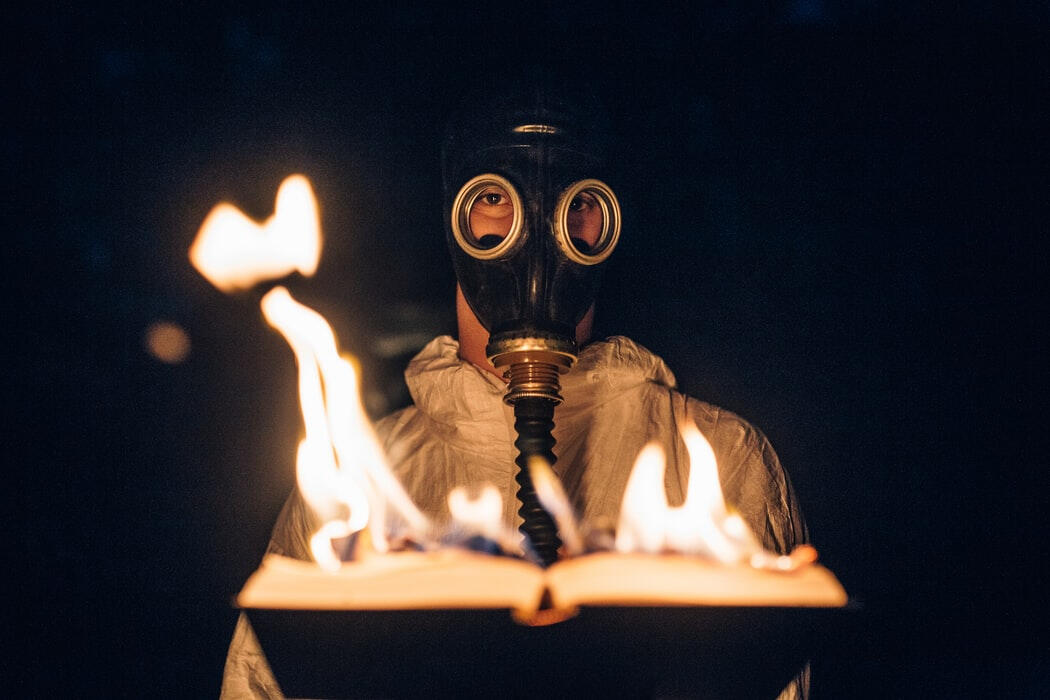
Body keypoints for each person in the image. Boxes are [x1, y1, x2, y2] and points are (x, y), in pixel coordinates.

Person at [220, 87, 809, 699]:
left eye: (576, 202)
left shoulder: (717, 462)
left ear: (607, 224)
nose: (533, 238)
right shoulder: (350, 486)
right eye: (495, 197)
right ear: (455, 221)